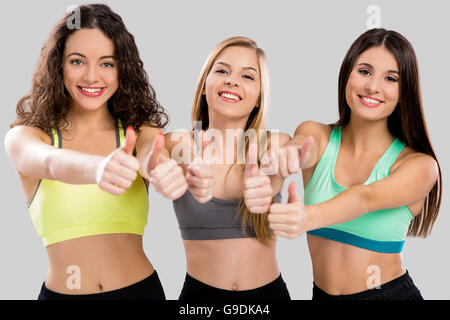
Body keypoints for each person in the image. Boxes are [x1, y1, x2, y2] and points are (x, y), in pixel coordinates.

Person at [4, 4, 187, 300]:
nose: (92, 76)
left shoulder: (139, 131)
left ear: (122, 70)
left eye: (107, 63)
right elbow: (50, 162)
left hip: (140, 293)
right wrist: (98, 169)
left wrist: (161, 167)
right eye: (77, 61)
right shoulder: (25, 137)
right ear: (58, 65)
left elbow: (150, 154)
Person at [267, 28, 442, 300]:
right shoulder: (318, 134)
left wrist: (306, 218)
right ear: (347, 73)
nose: (373, 87)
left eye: (390, 78)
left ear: (404, 91)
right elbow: (302, 146)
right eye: (364, 71)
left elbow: (365, 197)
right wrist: (287, 157)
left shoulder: (419, 165)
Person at [165, 36, 292, 300]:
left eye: (248, 76)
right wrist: (193, 165)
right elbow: (169, 154)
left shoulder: (275, 143)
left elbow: (280, 163)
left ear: (259, 97)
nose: (231, 80)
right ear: (204, 85)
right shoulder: (180, 142)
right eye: (222, 70)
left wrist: (270, 180)